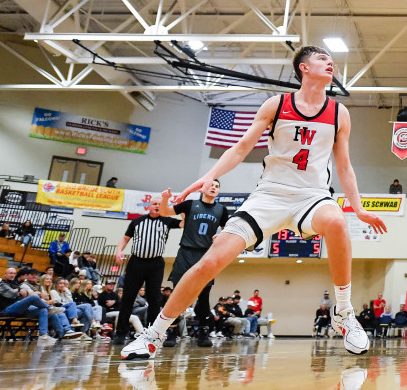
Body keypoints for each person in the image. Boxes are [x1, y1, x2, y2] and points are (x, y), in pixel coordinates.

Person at [122, 46, 388, 360]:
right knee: (209, 263)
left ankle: (343, 312)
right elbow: (241, 147)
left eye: (331, 60)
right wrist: (206, 176)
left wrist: (357, 207)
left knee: (337, 222)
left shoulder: (339, 113)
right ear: (303, 68)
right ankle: (153, 335)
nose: (330, 62)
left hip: (312, 196)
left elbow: (343, 166)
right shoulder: (276, 105)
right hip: (269, 196)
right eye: (321, 58)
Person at [157, 179, 229, 346]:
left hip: (206, 255)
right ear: (203, 188)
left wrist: (222, 236)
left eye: (217, 186)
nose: (214, 188)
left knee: (204, 297)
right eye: (211, 185)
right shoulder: (190, 205)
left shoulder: (221, 210)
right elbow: (164, 213)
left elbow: (227, 230)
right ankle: (172, 332)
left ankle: (203, 334)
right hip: (186, 252)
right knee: (177, 294)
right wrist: (165, 199)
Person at [112, 202, 179, 344]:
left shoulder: (167, 221)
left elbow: (184, 223)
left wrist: (179, 209)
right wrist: (119, 251)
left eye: (159, 204)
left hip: (156, 264)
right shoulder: (137, 221)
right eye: (154, 203)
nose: (157, 205)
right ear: (148, 207)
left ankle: (152, 333)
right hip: (136, 262)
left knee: (154, 299)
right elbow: (125, 238)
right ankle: (120, 334)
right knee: (128, 298)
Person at [0, 267, 55, 342]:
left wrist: (24, 292)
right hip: (9, 309)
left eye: (14, 273)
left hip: (21, 309)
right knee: (33, 297)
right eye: (10, 273)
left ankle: (43, 335)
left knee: (42, 310)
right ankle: (50, 308)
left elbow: (23, 294)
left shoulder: (15, 284)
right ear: (5, 274)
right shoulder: (2, 284)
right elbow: (12, 294)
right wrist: (21, 291)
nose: (12, 275)